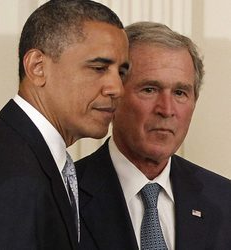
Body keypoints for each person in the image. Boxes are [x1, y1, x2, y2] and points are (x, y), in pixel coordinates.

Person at [0, 1, 129, 249]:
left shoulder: (5, 145)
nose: (117, 88)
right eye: (98, 68)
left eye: (121, 72)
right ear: (37, 67)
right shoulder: (14, 178)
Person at [76, 21, 231, 250]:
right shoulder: (64, 197)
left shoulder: (224, 200)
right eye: (149, 89)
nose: (166, 109)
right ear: (113, 95)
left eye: (180, 93)